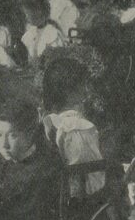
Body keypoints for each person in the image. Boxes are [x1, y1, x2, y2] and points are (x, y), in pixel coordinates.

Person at [40, 57, 104, 197]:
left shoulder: (52, 121)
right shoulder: (77, 128)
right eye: (83, 85)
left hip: (58, 196)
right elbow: (91, 179)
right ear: (70, 92)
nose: (87, 91)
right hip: (82, 200)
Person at [19, 0, 66, 64]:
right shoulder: (30, 32)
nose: (25, 17)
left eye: (27, 14)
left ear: (37, 13)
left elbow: (57, 59)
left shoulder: (53, 33)